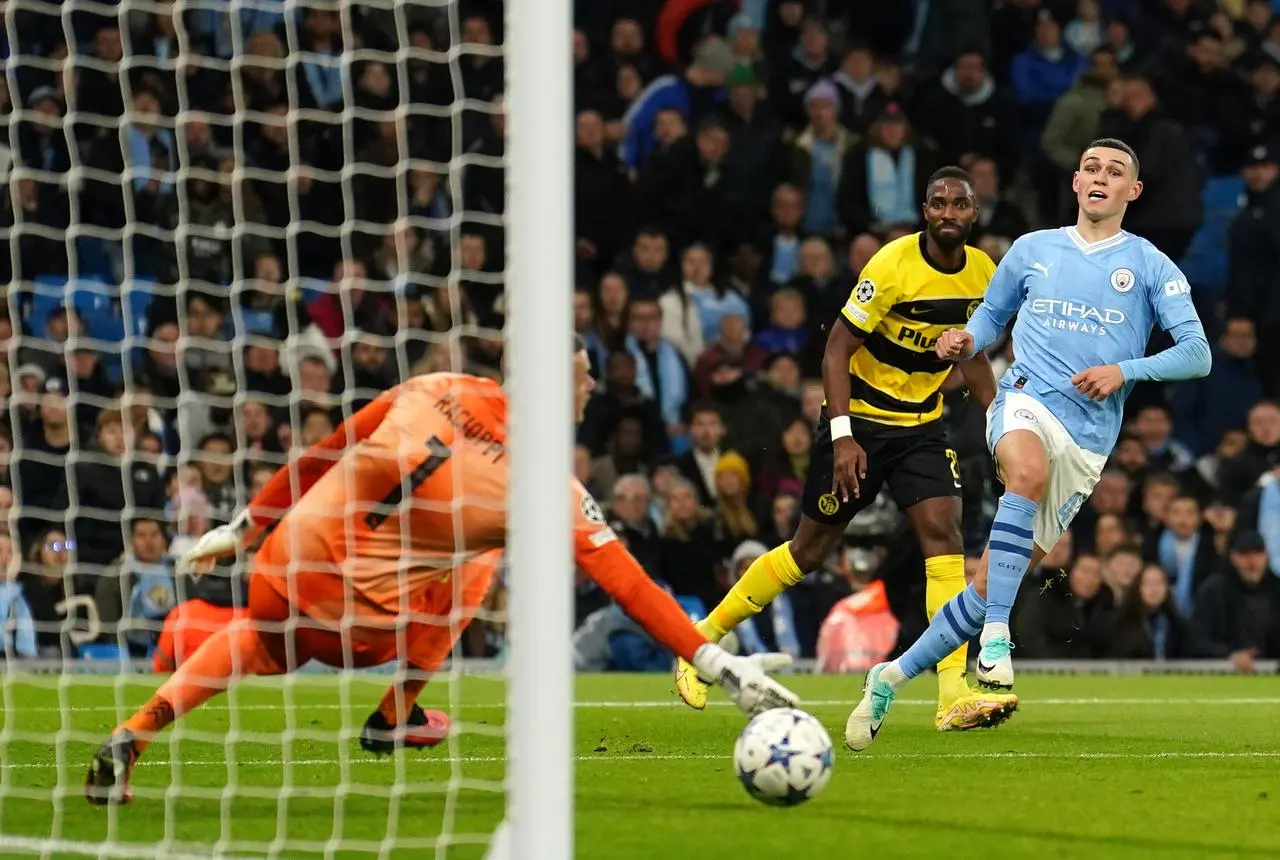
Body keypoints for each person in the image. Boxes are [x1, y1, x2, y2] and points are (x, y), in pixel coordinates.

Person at [84, 337, 799, 806]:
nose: (589, 393)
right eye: (581, 379)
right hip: (358, 625)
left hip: (279, 570)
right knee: (483, 550)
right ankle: (396, 714)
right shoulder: (543, 484)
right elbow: (633, 588)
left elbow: (330, 448)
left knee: (255, 641)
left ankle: (136, 732)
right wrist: (722, 668)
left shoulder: (432, 385)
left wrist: (245, 527)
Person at [846, 138, 1212, 751]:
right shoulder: (1032, 249)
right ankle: (995, 643)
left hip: (1089, 439)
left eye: (1114, 172)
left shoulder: (1150, 265)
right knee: (1025, 474)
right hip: (1023, 399)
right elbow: (990, 318)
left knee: (993, 581)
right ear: (1075, 181)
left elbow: (1196, 353)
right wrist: (967, 341)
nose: (1100, 177)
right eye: (1091, 168)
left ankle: (890, 675)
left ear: (1132, 191)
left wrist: (1127, 371)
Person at [675, 167, 1019, 732]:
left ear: (975, 214)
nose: (949, 213)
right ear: (924, 210)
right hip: (860, 424)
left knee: (945, 541)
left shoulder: (983, 273)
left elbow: (973, 357)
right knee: (807, 552)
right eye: (939, 203)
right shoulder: (890, 265)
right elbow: (835, 351)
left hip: (922, 426)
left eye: (960, 204)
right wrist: (843, 439)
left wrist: (1001, 425)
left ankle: (952, 694)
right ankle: (700, 641)